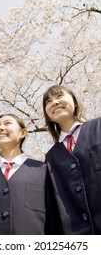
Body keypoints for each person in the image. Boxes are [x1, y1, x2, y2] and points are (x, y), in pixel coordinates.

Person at [43, 84, 101, 235]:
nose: (54, 102)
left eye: (59, 96)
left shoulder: (98, 127)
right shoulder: (51, 157)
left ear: (74, 101)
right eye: (48, 102)